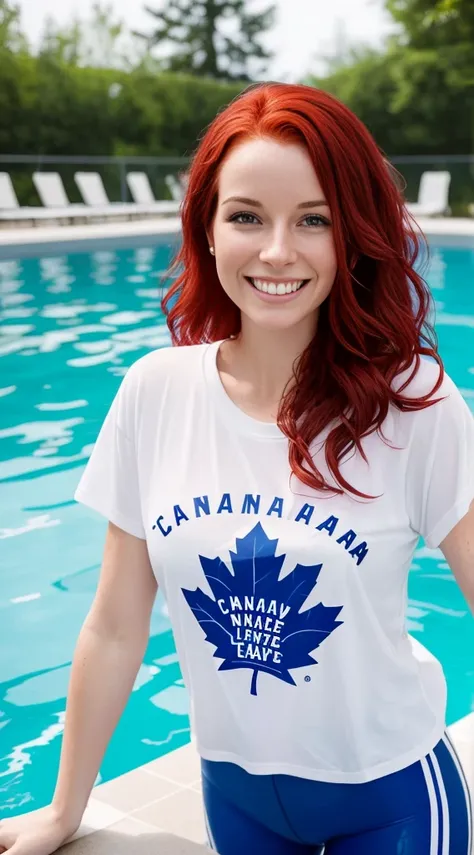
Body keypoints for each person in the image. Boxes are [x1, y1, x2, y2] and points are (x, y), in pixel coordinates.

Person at [1, 82, 473, 855]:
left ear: (351, 237)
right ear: (209, 230)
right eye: (247, 215)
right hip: (237, 795)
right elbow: (115, 626)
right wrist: (63, 808)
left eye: (313, 220)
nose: (278, 250)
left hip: (392, 795)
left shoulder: (412, 402)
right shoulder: (154, 392)